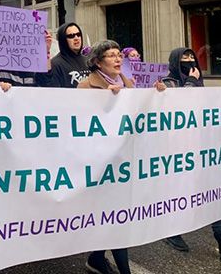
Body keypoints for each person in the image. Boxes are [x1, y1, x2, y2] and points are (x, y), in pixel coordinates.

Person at [161, 47, 221, 260]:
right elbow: (177, 106)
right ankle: (172, 231)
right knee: (180, 192)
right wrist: (191, 83)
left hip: (201, 148)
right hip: (177, 150)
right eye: (184, 57)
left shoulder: (199, 83)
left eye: (191, 56)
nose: (189, 60)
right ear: (175, 61)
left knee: (211, 191)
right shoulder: (167, 83)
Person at [77, 40, 132, 274]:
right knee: (115, 217)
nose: (117, 59)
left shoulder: (129, 84)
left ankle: (97, 258)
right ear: (98, 62)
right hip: (101, 164)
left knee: (115, 217)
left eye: (119, 54)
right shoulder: (86, 87)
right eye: (111, 55)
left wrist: (157, 94)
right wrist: (106, 103)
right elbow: (79, 124)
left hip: (124, 161)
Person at [49, 22, 91, 88]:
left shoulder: (88, 61)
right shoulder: (56, 64)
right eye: (71, 36)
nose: (76, 38)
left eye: (78, 34)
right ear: (63, 40)